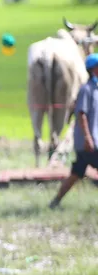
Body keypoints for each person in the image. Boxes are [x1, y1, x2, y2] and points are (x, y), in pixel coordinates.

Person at [50, 52, 98, 208]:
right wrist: (88, 138)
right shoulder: (87, 90)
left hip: (90, 141)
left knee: (76, 173)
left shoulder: (95, 89)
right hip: (88, 142)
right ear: (93, 69)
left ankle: (55, 202)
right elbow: (81, 114)